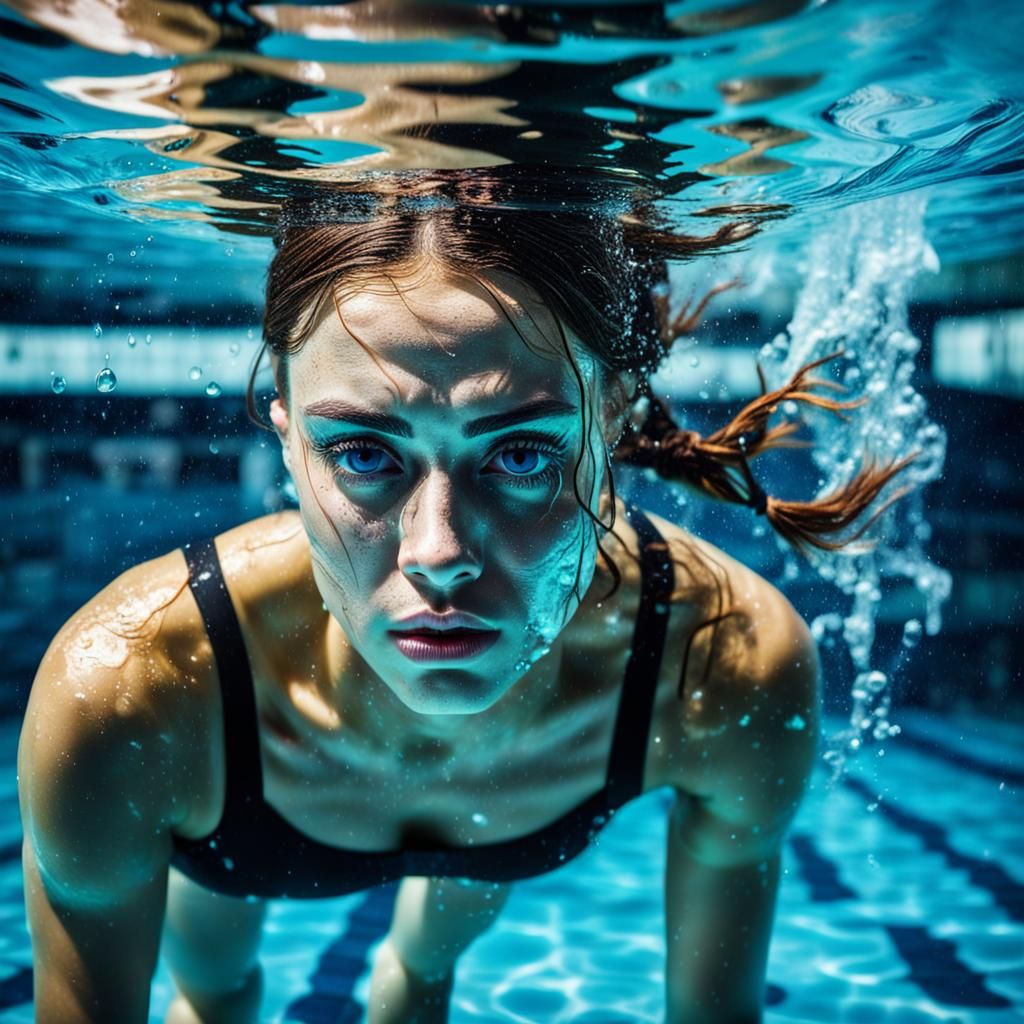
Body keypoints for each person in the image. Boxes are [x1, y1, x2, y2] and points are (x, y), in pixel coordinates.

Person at [18, 172, 916, 1024]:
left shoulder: (721, 665)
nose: (439, 555)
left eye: (521, 455)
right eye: (364, 455)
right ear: (287, 440)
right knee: (215, 991)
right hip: (243, 811)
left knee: (418, 969)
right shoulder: (136, 695)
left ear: (611, 421)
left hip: (496, 819)